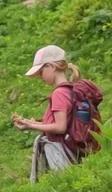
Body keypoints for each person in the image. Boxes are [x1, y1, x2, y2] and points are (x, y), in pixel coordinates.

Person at [12, 44, 100, 182]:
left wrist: (31, 126)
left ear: (51, 67)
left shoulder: (59, 93)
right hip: (70, 148)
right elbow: (60, 123)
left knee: (64, 183)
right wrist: (31, 122)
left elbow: (60, 127)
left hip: (58, 150)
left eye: (41, 72)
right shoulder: (68, 90)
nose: (41, 77)